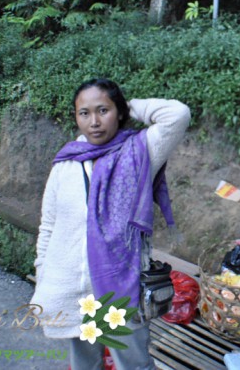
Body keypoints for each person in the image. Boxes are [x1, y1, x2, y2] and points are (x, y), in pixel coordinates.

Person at [30, 78, 191, 370]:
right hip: (75, 290)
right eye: (84, 113)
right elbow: (49, 227)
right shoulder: (65, 165)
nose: (94, 122)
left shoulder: (140, 152)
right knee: (85, 364)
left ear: (118, 112)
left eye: (103, 110)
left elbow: (177, 114)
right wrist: (43, 272)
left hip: (120, 287)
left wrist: (127, 106)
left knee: (134, 364)